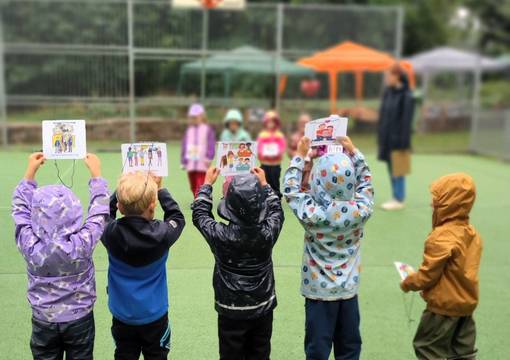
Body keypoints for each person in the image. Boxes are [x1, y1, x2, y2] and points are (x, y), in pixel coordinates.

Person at [283, 136, 374, 360]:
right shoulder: (360, 210)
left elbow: (291, 191)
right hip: (348, 292)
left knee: (317, 348)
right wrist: (354, 152)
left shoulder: (314, 214)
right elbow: (367, 183)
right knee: (350, 346)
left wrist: (299, 156)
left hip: (318, 293)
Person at [12, 152, 109, 360]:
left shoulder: (29, 244)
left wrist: (30, 173)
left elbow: (19, 212)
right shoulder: (82, 243)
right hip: (80, 318)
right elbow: (99, 215)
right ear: (75, 213)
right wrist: (96, 176)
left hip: (42, 319)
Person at [192, 166, 284, 360]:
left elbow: (200, 215)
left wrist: (207, 184)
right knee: (260, 353)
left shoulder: (221, 235)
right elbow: (276, 210)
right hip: (262, 306)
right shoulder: (267, 233)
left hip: (230, 309)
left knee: (230, 355)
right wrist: (266, 185)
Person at [101, 172, 185, 360]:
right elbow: (177, 218)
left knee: (124, 355)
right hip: (155, 315)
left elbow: (105, 213)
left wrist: (121, 189)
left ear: (120, 206)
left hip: (122, 315)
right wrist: (161, 189)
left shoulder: (110, 233)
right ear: (152, 206)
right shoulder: (163, 234)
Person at [400, 173, 482, 360]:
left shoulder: (442, 237)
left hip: (443, 308)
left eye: (437, 200)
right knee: (463, 352)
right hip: (466, 306)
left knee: (428, 348)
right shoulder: (472, 233)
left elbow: (428, 275)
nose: (431, 204)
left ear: (448, 204)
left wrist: (408, 282)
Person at [377, 63, 415, 211]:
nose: (386, 79)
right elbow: (383, 117)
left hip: (399, 141)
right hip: (386, 139)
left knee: (399, 169)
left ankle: (399, 199)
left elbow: (406, 121)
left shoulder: (407, 96)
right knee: (390, 167)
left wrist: (403, 142)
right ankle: (395, 196)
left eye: (389, 76)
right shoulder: (388, 93)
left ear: (397, 76)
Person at [181, 103, 216, 198]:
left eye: (196, 117)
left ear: (202, 116)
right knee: (193, 184)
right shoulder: (189, 130)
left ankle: (199, 199)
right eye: (192, 117)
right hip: (191, 162)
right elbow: (185, 145)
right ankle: (199, 197)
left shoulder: (207, 130)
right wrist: (184, 161)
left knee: (200, 182)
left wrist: (209, 157)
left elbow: (211, 144)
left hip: (202, 163)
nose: (194, 119)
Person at [257, 110, 286, 198]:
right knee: (264, 179)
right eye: (268, 121)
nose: (270, 124)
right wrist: (262, 153)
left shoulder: (279, 135)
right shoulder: (263, 135)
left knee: (274, 180)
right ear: (265, 123)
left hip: (275, 164)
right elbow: (260, 147)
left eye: (272, 121)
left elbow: (281, 146)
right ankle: (264, 195)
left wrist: (278, 152)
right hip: (265, 163)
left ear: (276, 122)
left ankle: (276, 195)